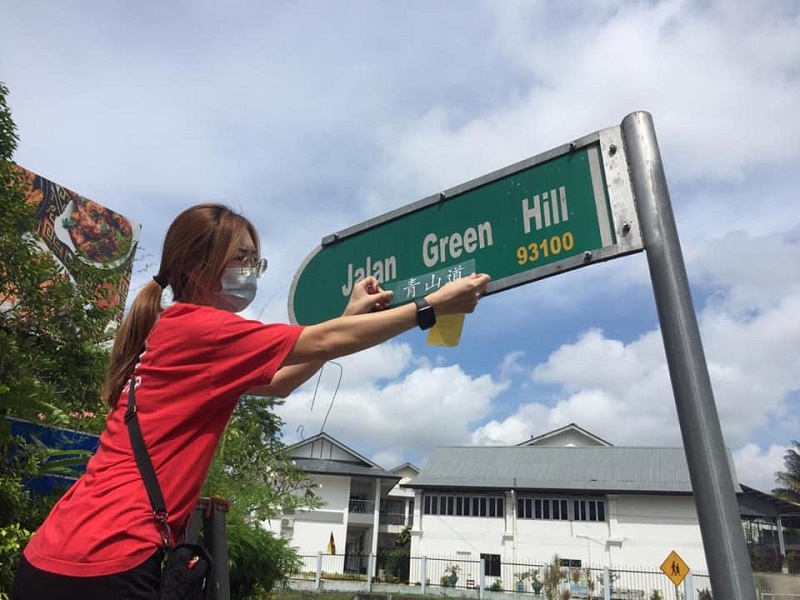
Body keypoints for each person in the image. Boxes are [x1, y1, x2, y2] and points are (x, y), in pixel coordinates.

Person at [11, 203, 489, 599]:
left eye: (255, 261)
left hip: (53, 557)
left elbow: (279, 382)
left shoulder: (172, 333)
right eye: (241, 258)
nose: (251, 271)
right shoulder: (201, 328)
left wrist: (346, 316)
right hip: (111, 562)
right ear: (198, 267)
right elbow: (324, 342)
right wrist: (431, 307)